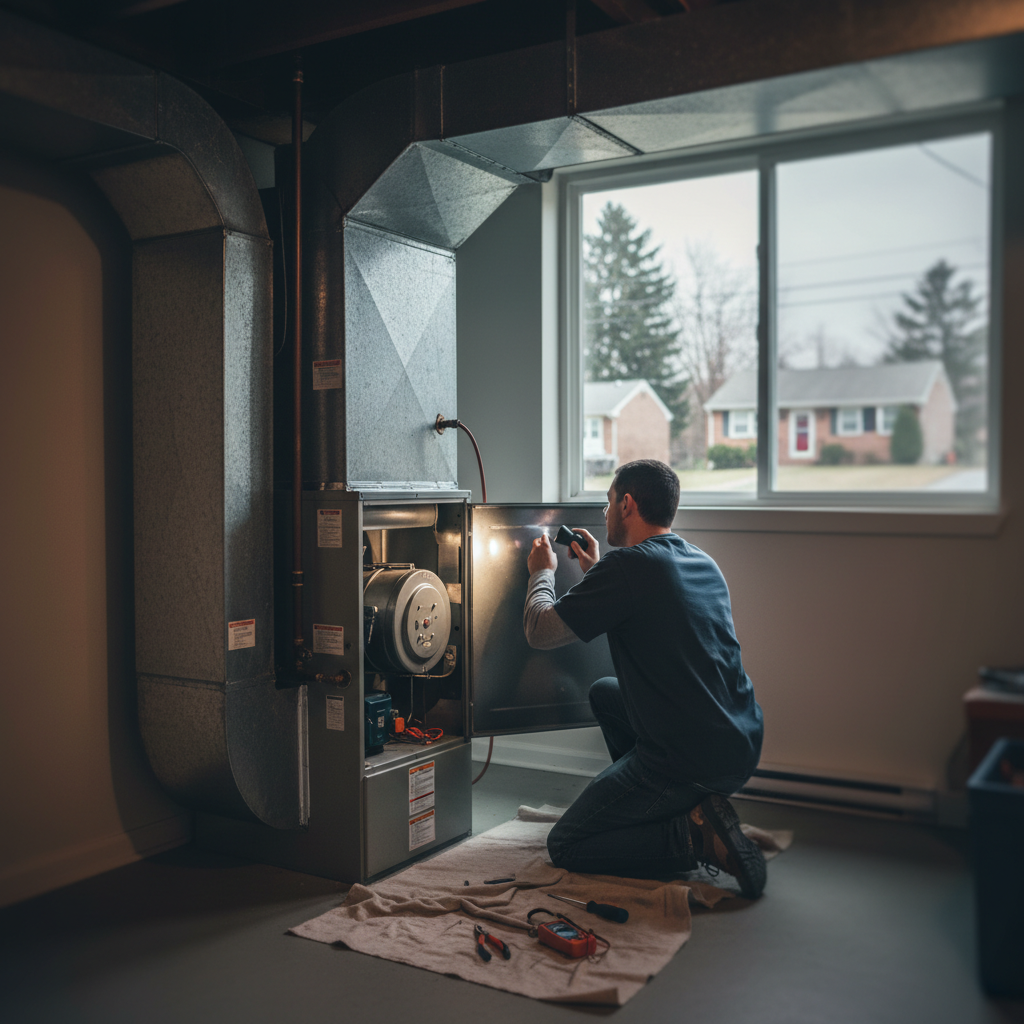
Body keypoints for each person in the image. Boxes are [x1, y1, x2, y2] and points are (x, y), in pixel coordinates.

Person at [523, 459, 767, 898]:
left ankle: (692, 839)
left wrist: (542, 571)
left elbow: (540, 631)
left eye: (608, 502)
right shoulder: (700, 560)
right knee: (605, 693)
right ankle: (659, 809)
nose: (605, 512)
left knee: (566, 844)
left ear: (628, 503)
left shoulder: (628, 570)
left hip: (687, 758)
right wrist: (596, 570)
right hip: (740, 742)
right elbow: (642, 601)